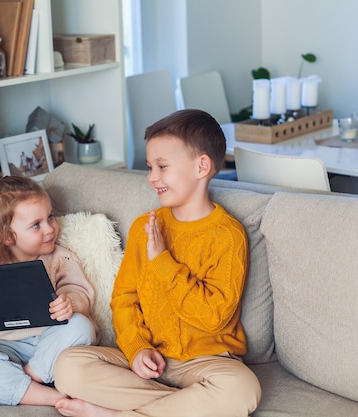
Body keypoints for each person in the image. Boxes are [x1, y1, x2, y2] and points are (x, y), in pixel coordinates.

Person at [53, 109, 261, 417]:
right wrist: (137, 348)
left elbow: (212, 317)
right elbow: (124, 299)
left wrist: (162, 261)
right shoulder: (144, 227)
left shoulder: (228, 236)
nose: (152, 177)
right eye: (150, 167)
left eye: (162, 166)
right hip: (148, 361)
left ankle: (114, 414)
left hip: (206, 362)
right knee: (67, 367)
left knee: (242, 389)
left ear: (202, 166)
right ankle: (182, 407)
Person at [0, 169, 97, 406]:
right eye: (36, 225)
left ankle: (24, 382)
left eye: (50, 217)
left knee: (81, 325)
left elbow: (81, 293)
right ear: (7, 237)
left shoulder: (59, 258)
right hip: (6, 349)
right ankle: (56, 398)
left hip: (50, 344)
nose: (50, 228)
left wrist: (70, 302)